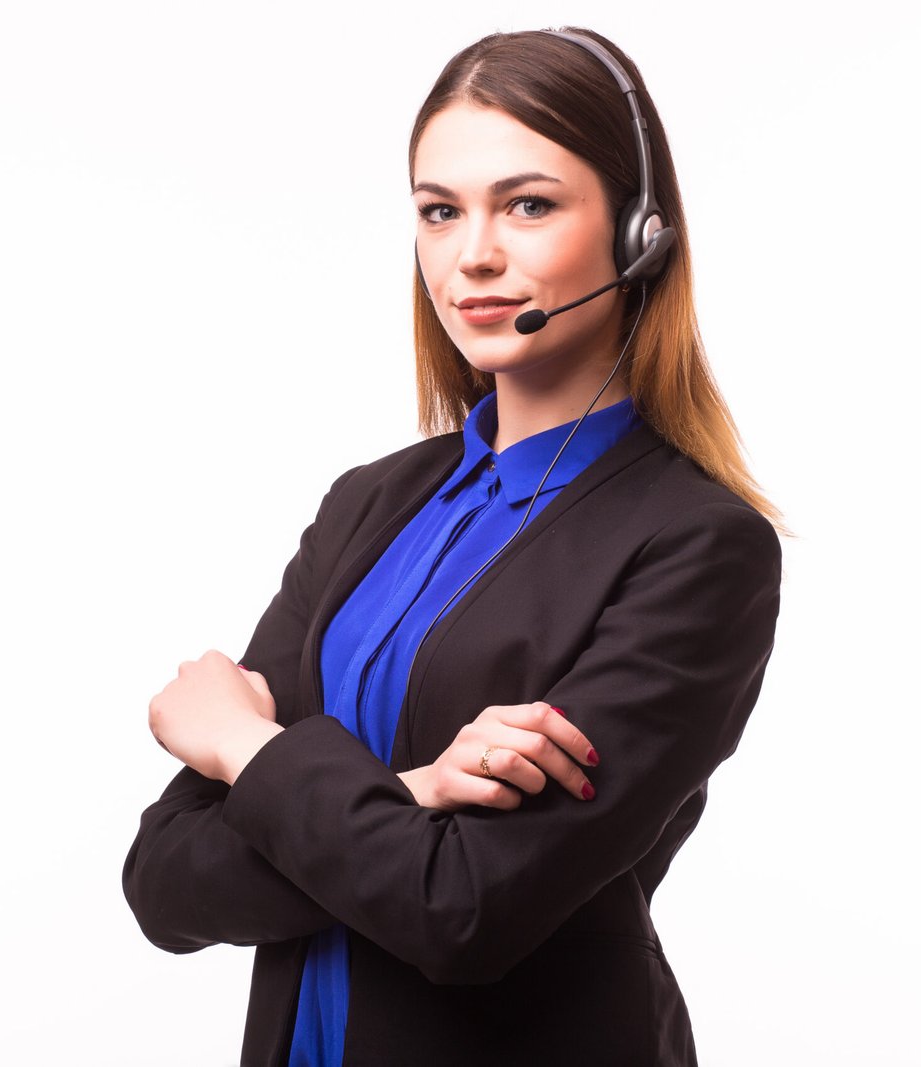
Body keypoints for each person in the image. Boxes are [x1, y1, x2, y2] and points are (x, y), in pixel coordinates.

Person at [122, 26, 785, 1067]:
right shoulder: (368, 503)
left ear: (639, 234)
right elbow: (165, 883)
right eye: (440, 211)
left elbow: (460, 908)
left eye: (528, 205)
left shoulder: (699, 547)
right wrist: (417, 790)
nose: (472, 254)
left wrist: (243, 747)